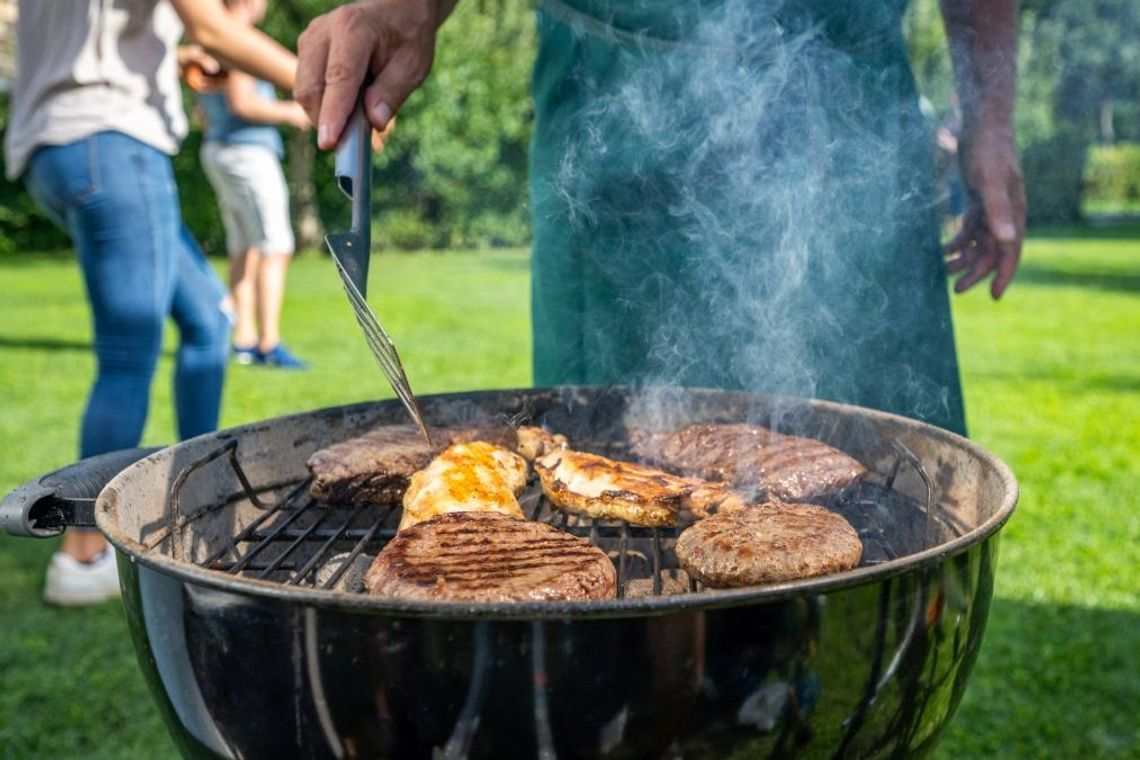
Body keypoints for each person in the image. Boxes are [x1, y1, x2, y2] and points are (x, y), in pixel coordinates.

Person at [293, 0, 1025, 438]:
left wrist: (990, 120)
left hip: (852, 118)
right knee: (610, 474)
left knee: (884, 475)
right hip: (614, 116)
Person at [4, 0, 298, 605]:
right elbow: (213, 25)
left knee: (208, 321)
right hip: (112, 140)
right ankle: (83, 555)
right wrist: (324, 86)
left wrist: (174, 57)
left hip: (56, 145)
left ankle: (207, 507)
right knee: (127, 356)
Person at [197, 0, 311, 369]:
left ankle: (244, 339)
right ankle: (269, 342)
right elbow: (243, 102)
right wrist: (292, 111)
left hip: (219, 149)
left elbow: (202, 111)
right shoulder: (236, 39)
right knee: (276, 245)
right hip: (248, 152)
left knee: (243, 246)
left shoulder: (207, 42)